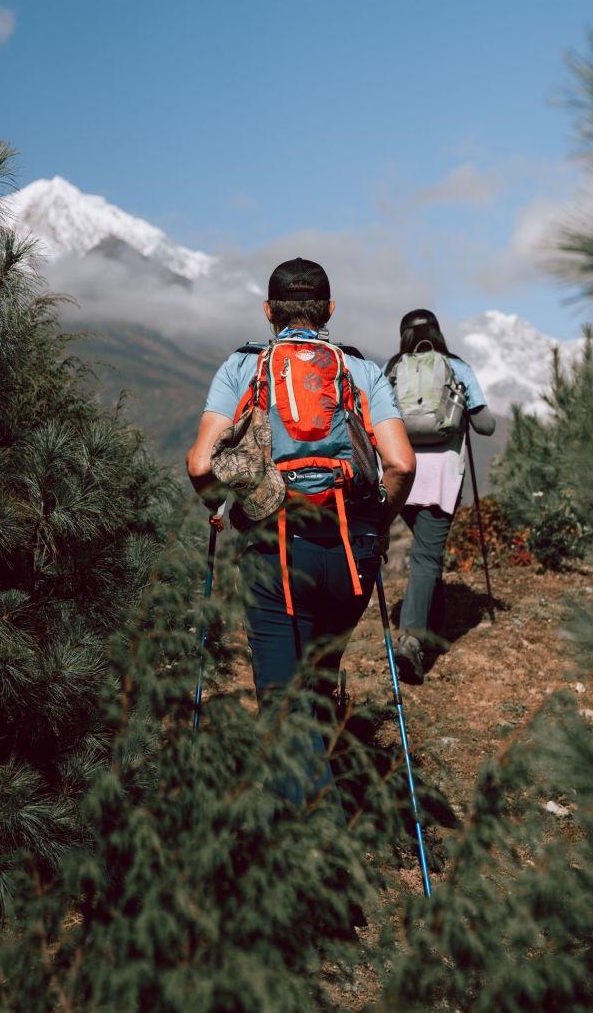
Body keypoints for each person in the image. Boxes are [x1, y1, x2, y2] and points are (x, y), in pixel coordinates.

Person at [185, 258, 415, 803]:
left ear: (268, 312)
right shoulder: (360, 369)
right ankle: (314, 801)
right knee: (312, 683)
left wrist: (222, 507)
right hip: (352, 552)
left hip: (277, 552)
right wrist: (376, 530)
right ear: (329, 311)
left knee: (284, 709)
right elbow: (401, 465)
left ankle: (316, 854)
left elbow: (201, 464)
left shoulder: (243, 367)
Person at [385, 309, 495, 684]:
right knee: (427, 556)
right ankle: (412, 640)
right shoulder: (456, 366)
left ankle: (434, 626)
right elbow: (486, 425)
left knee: (425, 551)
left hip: (400, 475)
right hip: (441, 479)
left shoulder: (392, 368)